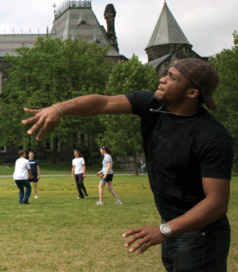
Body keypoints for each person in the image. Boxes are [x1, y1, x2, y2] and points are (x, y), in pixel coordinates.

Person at [21, 58, 233, 270]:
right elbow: (102, 103)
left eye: (172, 78)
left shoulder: (211, 136)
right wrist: (59, 109)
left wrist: (164, 230)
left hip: (201, 235)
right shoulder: (152, 106)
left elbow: (217, 203)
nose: (162, 79)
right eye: (166, 73)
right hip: (173, 226)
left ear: (192, 93)